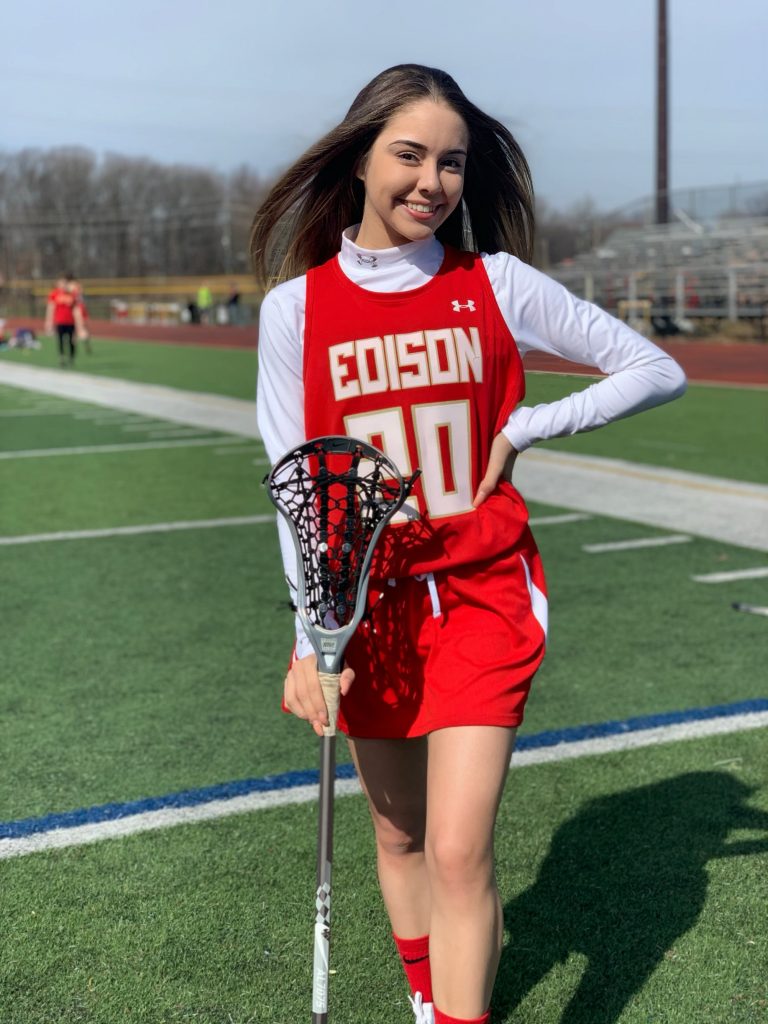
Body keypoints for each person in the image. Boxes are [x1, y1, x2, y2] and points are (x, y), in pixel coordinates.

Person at [254, 65, 687, 1024]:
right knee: (399, 834)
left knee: (457, 847)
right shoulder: (295, 312)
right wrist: (305, 641)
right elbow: (298, 490)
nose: (431, 182)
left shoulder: (493, 283)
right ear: (360, 158)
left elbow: (654, 369)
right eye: (409, 155)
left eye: (451, 163)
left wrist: (530, 423)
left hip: (485, 590)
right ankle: (428, 1000)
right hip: (369, 603)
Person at [44, 274, 84, 367]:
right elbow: (51, 307)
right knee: (61, 340)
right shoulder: (54, 294)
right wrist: (49, 321)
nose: (63, 285)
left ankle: (71, 357)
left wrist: (80, 324)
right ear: (58, 284)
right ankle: (61, 357)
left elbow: (76, 309)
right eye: (61, 283)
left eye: (65, 283)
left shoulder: (72, 294)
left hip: (70, 321)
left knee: (71, 340)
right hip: (60, 321)